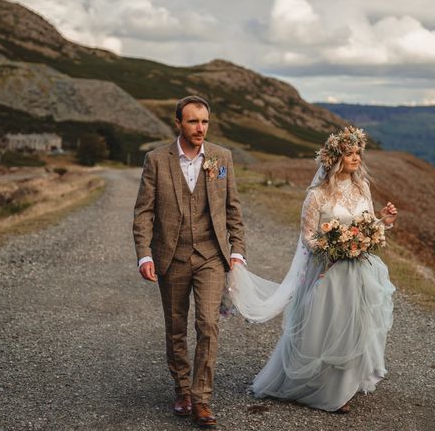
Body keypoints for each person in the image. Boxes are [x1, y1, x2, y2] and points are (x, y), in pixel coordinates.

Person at [228, 126, 397, 413]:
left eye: (358, 153)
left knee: (356, 325)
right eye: (349, 153)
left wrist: (383, 221)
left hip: (359, 270)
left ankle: (346, 385)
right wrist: (336, 247)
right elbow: (308, 237)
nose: (356, 158)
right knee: (328, 326)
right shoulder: (317, 195)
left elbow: (367, 225)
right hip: (329, 270)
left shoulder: (362, 188)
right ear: (335, 158)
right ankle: (322, 387)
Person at [132, 95, 246, 429]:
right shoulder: (156, 160)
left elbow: (232, 208)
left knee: (208, 324)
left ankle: (201, 399)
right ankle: (182, 389)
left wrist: (237, 250)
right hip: (172, 256)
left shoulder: (221, 158)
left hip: (211, 256)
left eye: (205, 122)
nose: (200, 128)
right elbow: (143, 212)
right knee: (176, 327)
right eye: (193, 121)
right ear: (178, 123)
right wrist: (144, 254)